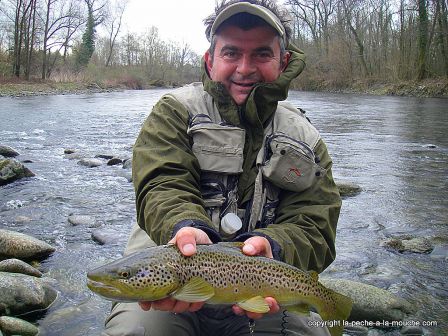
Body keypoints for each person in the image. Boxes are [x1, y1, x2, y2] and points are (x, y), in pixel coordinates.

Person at [103, 0, 341, 335]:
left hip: (263, 286)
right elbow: (162, 185)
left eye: (261, 54)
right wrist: (183, 227)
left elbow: (315, 225)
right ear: (210, 60)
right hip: (168, 279)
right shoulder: (174, 113)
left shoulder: (306, 138)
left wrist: (274, 246)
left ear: (283, 62)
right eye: (231, 53)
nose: (245, 67)